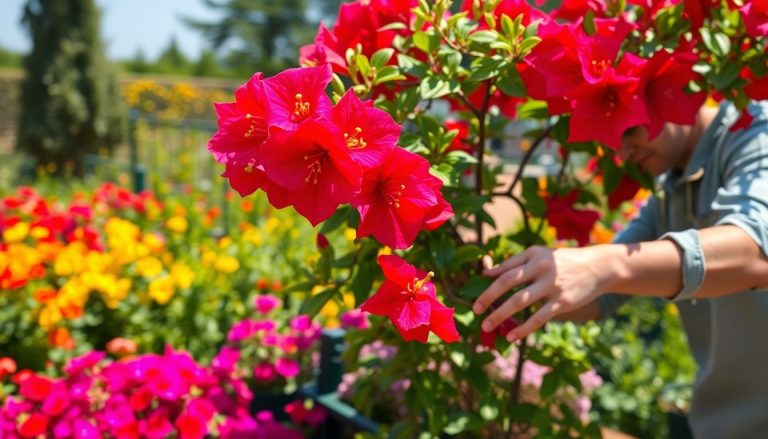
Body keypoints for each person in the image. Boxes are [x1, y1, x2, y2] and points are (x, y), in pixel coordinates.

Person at [473, 99, 768, 438]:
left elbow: (755, 251)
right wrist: (503, 285)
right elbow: (602, 295)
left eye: (630, 128)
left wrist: (600, 265)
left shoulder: (756, 128)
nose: (623, 153)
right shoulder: (668, 193)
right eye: (611, 137)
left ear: (681, 89)